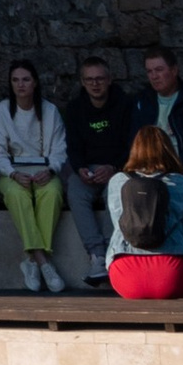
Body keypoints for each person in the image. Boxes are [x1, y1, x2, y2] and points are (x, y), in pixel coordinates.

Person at [0, 61, 68, 291]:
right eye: (15, 80)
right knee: (16, 195)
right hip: (13, 173)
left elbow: (59, 149)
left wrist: (50, 170)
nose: (20, 85)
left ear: (35, 82)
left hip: (43, 170)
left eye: (25, 79)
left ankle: (31, 260)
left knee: (52, 192)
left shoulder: (49, 111)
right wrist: (12, 173)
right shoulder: (3, 110)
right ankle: (43, 261)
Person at [106, 128, 183, 299]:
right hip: (172, 275)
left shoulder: (118, 181)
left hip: (126, 275)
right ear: (168, 149)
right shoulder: (181, 182)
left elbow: (119, 225)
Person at [63, 56, 132, 279]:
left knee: (119, 190)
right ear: (83, 82)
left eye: (100, 79)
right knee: (74, 188)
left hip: (117, 168)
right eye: (89, 79)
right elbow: (72, 146)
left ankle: (112, 253)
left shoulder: (125, 105)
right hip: (88, 171)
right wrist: (80, 168)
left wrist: (114, 167)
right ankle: (97, 256)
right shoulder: (75, 109)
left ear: (109, 79)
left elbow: (132, 144)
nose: (95, 84)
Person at [126, 48, 183, 199]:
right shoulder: (142, 101)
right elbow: (135, 141)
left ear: (174, 70)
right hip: (149, 171)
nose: (154, 76)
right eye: (149, 71)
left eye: (159, 70)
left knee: (167, 198)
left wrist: (172, 174)